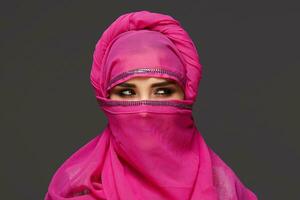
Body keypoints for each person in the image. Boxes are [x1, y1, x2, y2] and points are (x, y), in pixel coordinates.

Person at [45, 10, 258, 200]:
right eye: (127, 92)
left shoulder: (226, 190)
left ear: (185, 95)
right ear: (106, 98)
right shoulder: (76, 190)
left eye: (163, 91)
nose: (144, 111)